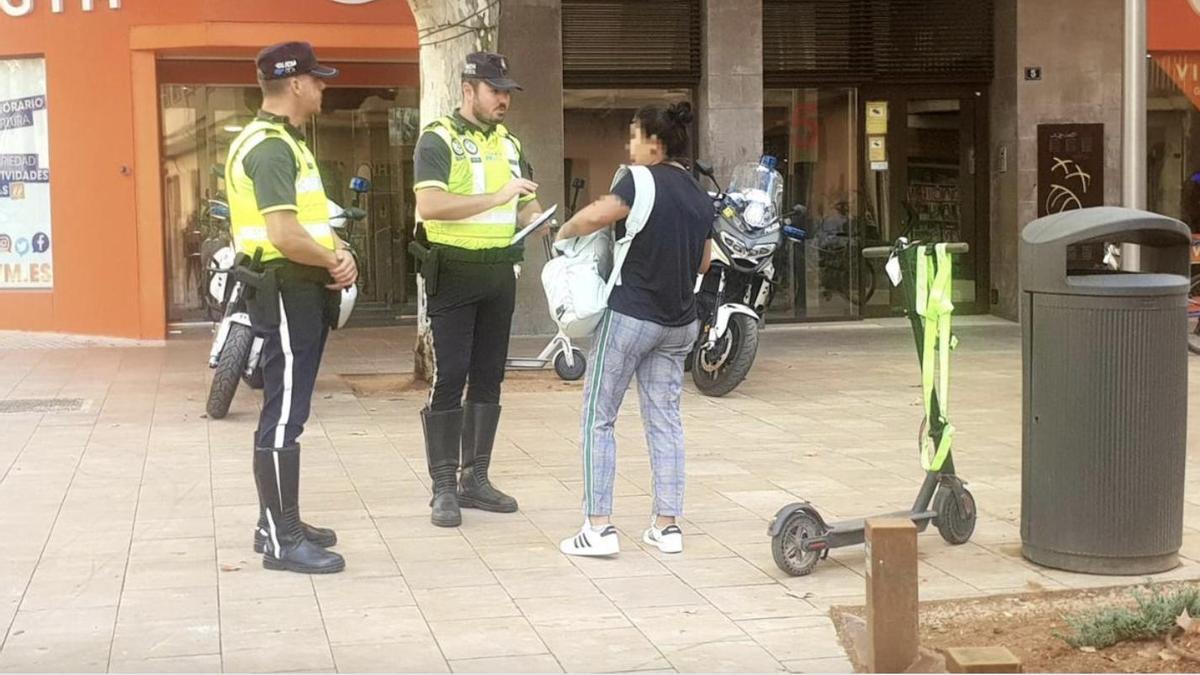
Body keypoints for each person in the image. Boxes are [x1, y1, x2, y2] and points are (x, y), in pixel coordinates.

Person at [555, 103, 713, 557]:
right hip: (679, 323)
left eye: (634, 138)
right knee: (665, 423)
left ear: (654, 144)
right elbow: (703, 262)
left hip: (630, 316)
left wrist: (562, 233)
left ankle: (598, 528)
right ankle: (667, 527)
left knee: (597, 417)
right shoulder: (699, 193)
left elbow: (594, 217)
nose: (630, 147)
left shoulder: (637, 179)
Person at [225, 42, 357, 574]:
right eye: (318, 79)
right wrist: (334, 260)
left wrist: (335, 251)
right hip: (286, 288)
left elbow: (309, 219)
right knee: (284, 416)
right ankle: (283, 540)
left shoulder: (283, 141)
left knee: (286, 408)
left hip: (295, 288)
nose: (324, 87)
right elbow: (282, 233)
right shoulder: (272, 147)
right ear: (296, 83)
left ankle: (276, 522)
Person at [411, 52, 544, 527]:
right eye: (495, 91)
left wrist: (542, 221)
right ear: (468, 90)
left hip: (498, 274)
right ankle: (444, 485)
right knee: (450, 377)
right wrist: (498, 198)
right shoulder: (438, 139)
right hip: (454, 272)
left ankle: (476, 479)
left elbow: (526, 206)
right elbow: (430, 205)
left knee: (489, 376)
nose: (503, 99)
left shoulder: (510, 143)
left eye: (507, 92)